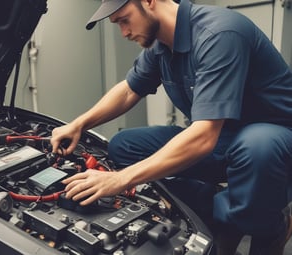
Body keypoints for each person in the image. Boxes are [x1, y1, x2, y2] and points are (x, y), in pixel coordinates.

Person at [50, 0, 292, 253]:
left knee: (256, 146)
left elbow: (203, 138)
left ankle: (273, 227)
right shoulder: (161, 46)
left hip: (275, 137)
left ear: (149, 1)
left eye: (124, 19)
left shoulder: (219, 33)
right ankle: (216, 210)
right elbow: (129, 90)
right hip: (224, 136)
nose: (124, 33)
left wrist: (120, 179)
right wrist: (79, 124)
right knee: (124, 146)